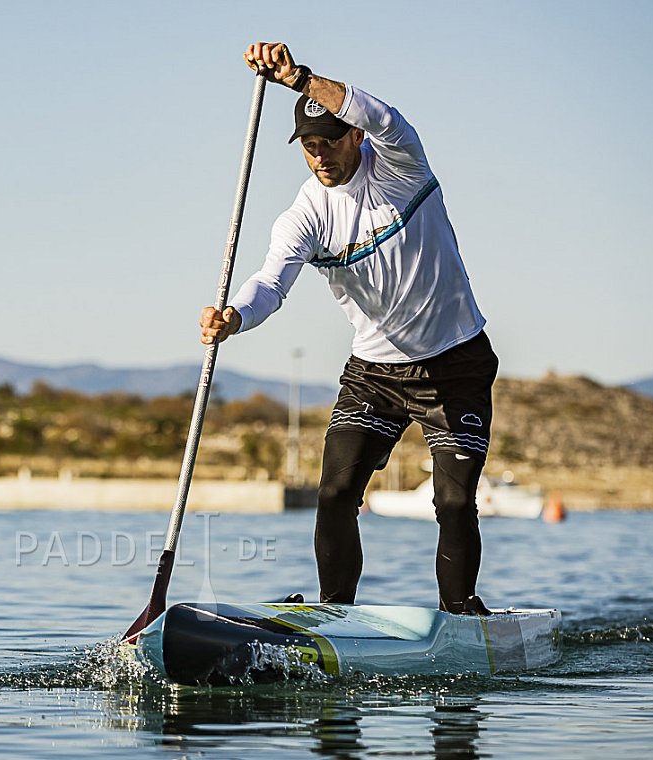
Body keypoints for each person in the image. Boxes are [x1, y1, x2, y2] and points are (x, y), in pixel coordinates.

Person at [201, 42, 498, 615]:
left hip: (455, 363)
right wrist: (234, 318)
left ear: (355, 135)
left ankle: (461, 616)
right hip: (373, 376)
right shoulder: (306, 214)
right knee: (335, 492)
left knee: (454, 501)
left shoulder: (402, 166)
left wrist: (299, 78)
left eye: (329, 142)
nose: (320, 157)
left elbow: (384, 115)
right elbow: (270, 283)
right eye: (308, 148)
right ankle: (335, 615)